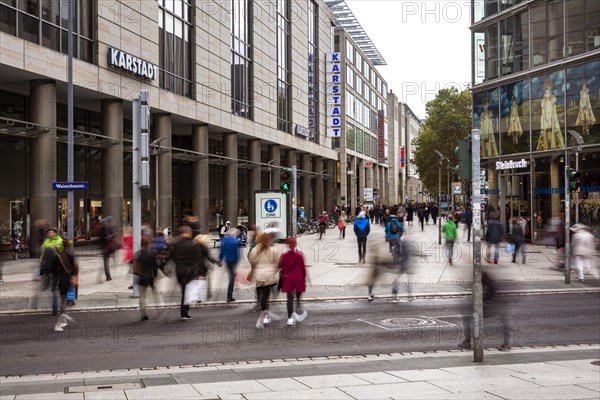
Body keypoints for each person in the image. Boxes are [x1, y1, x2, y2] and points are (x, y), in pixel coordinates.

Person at [248, 232, 281, 329]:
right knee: (266, 297)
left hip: (259, 276)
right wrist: (274, 271)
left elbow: (252, 261)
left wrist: (253, 271)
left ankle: (263, 312)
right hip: (269, 276)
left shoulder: (255, 250)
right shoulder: (273, 250)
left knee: (261, 295)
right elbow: (278, 263)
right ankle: (265, 315)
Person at [169, 225, 202, 320]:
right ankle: (184, 312)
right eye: (190, 232)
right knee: (188, 291)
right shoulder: (193, 244)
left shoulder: (175, 244)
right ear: (187, 232)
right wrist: (202, 270)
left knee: (185, 290)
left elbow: (172, 257)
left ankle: (185, 310)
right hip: (190, 270)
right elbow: (199, 259)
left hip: (179, 270)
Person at [278, 237, 308, 326]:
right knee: (298, 293)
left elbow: (281, 266)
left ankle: (290, 318)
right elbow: (303, 269)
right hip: (298, 278)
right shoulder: (300, 255)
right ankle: (298, 303)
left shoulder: (284, 255)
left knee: (289, 299)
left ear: (287, 244)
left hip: (289, 279)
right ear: (295, 244)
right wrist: (304, 279)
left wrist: (282, 275)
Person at [50, 241, 79, 332]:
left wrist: (57, 276)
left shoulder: (57, 257)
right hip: (70, 282)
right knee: (66, 302)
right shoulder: (70, 256)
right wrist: (74, 278)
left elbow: (52, 270)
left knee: (65, 300)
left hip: (62, 282)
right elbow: (75, 270)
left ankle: (63, 320)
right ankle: (58, 324)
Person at [39, 226, 64, 315]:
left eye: (52, 232)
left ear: (55, 233)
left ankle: (55, 308)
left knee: (53, 289)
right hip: (47, 269)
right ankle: (47, 286)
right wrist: (41, 271)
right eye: (49, 232)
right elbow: (42, 257)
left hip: (56, 269)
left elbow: (61, 251)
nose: (50, 234)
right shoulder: (46, 242)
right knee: (51, 288)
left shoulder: (59, 240)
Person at [134, 237, 159, 321]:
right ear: (149, 244)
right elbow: (155, 266)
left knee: (142, 296)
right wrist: (155, 275)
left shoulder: (138, 254)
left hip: (142, 277)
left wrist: (137, 274)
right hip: (150, 277)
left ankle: (144, 314)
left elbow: (136, 269)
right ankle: (158, 308)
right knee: (154, 293)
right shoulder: (153, 253)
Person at [220, 227, 241, 302]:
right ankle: (229, 295)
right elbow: (238, 251)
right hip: (233, 261)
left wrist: (220, 259)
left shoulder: (225, 240)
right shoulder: (236, 240)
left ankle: (230, 295)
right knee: (232, 277)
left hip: (228, 261)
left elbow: (222, 250)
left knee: (231, 276)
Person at [99, 216, 117, 282]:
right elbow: (107, 237)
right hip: (106, 248)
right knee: (106, 262)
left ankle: (107, 276)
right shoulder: (105, 229)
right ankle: (108, 276)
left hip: (105, 248)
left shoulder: (102, 229)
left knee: (105, 262)